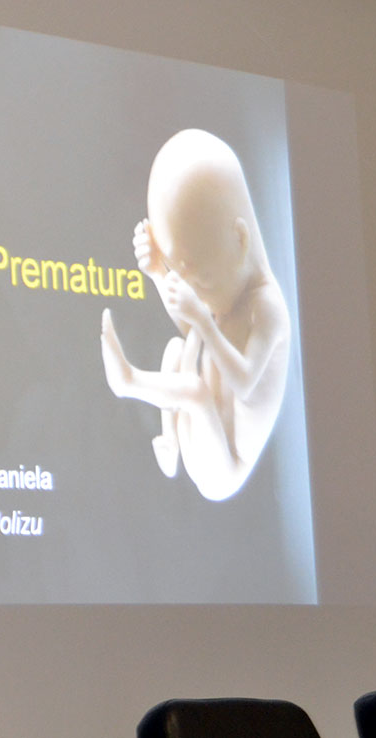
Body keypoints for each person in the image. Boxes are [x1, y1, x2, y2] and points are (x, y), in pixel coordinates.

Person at [101, 129, 290, 501]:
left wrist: (203, 321)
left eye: (202, 280)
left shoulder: (267, 309)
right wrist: (158, 272)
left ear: (240, 239)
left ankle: (129, 382)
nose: (198, 295)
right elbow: (191, 327)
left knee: (196, 391)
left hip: (227, 468)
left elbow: (244, 383)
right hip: (202, 440)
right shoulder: (227, 293)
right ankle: (169, 443)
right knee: (179, 348)